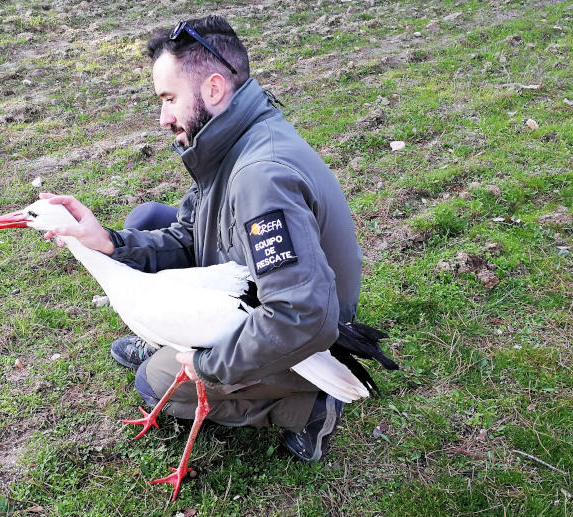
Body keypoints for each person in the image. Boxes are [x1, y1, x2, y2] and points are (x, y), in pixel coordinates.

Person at [42, 15, 363, 462]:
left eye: (170, 98)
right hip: (245, 284)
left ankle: (308, 404)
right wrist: (110, 243)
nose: (162, 118)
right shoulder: (228, 140)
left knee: (154, 383)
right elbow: (191, 233)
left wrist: (208, 364)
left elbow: (301, 317)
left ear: (213, 90)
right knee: (148, 218)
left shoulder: (261, 178)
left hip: (308, 332)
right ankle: (176, 336)